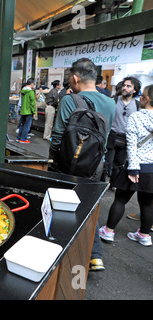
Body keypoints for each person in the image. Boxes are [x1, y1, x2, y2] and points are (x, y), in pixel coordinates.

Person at [49, 58, 116, 271]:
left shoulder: (71, 100)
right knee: (89, 208)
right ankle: (94, 256)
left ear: (76, 78)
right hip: (97, 166)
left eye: (70, 79)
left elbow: (58, 135)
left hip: (69, 165)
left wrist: (53, 160)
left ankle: (58, 250)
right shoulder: (110, 102)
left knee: (62, 206)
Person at [99, 85, 153, 247]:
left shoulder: (136, 117)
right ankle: (144, 235)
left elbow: (131, 145)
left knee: (121, 199)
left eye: (142, 96)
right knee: (147, 203)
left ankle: (108, 232)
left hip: (135, 166)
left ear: (148, 99)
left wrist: (134, 168)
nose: (140, 98)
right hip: (151, 168)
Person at [102, 77, 141, 180]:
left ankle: (114, 184)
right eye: (124, 85)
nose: (125, 88)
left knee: (119, 164)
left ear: (135, 90)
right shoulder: (113, 100)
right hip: (112, 135)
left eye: (128, 86)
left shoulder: (137, 105)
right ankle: (103, 183)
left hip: (126, 138)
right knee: (106, 162)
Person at [16, 78, 36, 144]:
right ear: (32, 84)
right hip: (28, 111)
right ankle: (23, 139)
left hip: (22, 110)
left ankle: (18, 138)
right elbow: (32, 103)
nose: (34, 86)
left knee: (22, 125)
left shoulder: (23, 91)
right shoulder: (31, 92)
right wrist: (34, 112)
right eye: (34, 84)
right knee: (27, 126)